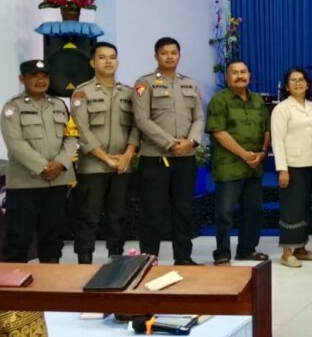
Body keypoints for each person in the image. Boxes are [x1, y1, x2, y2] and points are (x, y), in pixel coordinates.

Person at [134, 37, 204, 265]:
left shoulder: (190, 84)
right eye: (164, 53)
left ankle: (183, 258)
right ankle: (149, 259)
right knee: (153, 212)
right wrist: (171, 143)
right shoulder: (144, 83)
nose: (170, 56)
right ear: (156, 56)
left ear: (179, 55)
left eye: (174, 52)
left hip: (186, 157)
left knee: (184, 210)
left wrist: (191, 142)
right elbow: (142, 119)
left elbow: (199, 117)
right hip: (156, 158)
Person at [0, 59, 76, 263]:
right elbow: (15, 143)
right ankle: (14, 290)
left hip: (57, 182)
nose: (40, 80)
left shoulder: (60, 105)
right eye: (34, 76)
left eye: (44, 76)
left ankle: (49, 287)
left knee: (52, 239)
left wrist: (60, 163)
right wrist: (43, 167)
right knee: (18, 239)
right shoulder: (12, 108)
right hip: (25, 184)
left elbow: (71, 137)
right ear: (22, 79)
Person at [69, 43, 138, 263]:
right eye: (102, 57)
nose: (108, 61)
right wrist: (106, 157)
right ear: (92, 62)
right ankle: (85, 260)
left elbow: (137, 126)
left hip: (122, 165)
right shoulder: (82, 92)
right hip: (93, 166)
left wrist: (128, 155)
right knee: (88, 216)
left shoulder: (128, 93)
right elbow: (82, 129)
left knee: (118, 216)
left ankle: (116, 259)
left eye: (112, 57)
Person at [206, 60, 270, 266]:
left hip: (254, 166)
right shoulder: (219, 100)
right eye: (235, 72)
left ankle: (247, 249)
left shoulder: (258, 100)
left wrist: (262, 153)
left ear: (249, 75)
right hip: (229, 166)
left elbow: (267, 129)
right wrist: (244, 154)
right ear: (227, 77)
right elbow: (218, 132)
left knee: (254, 210)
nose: (240, 76)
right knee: (225, 212)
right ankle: (222, 253)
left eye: (243, 72)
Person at [271, 67, 312, 268]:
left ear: (308, 84)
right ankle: (286, 253)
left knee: (304, 208)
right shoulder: (282, 109)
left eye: (301, 79)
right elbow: (277, 140)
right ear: (287, 86)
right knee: (292, 209)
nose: (298, 83)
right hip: (292, 166)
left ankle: (301, 248)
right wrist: (282, 169)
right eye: (293, 80)